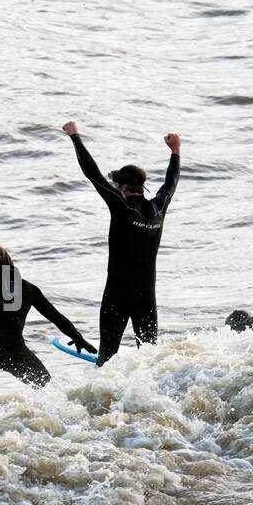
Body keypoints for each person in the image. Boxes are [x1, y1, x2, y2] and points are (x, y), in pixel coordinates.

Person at [63, 120, 181, 365]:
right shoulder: (158, 208)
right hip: (146, 295)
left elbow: (92, 174)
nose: (115, 187)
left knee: (106, 357)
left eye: (117, 184)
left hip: (118, 294)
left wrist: (75, 137)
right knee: (150, 358)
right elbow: (170, 183)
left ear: (124, 187)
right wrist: (175, 152)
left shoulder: (121, 206)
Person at [0, 243, 96, 403]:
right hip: (15, 353)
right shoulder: (28, 288)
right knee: (51, 394)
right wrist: (77, 337)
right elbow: (56, 318)